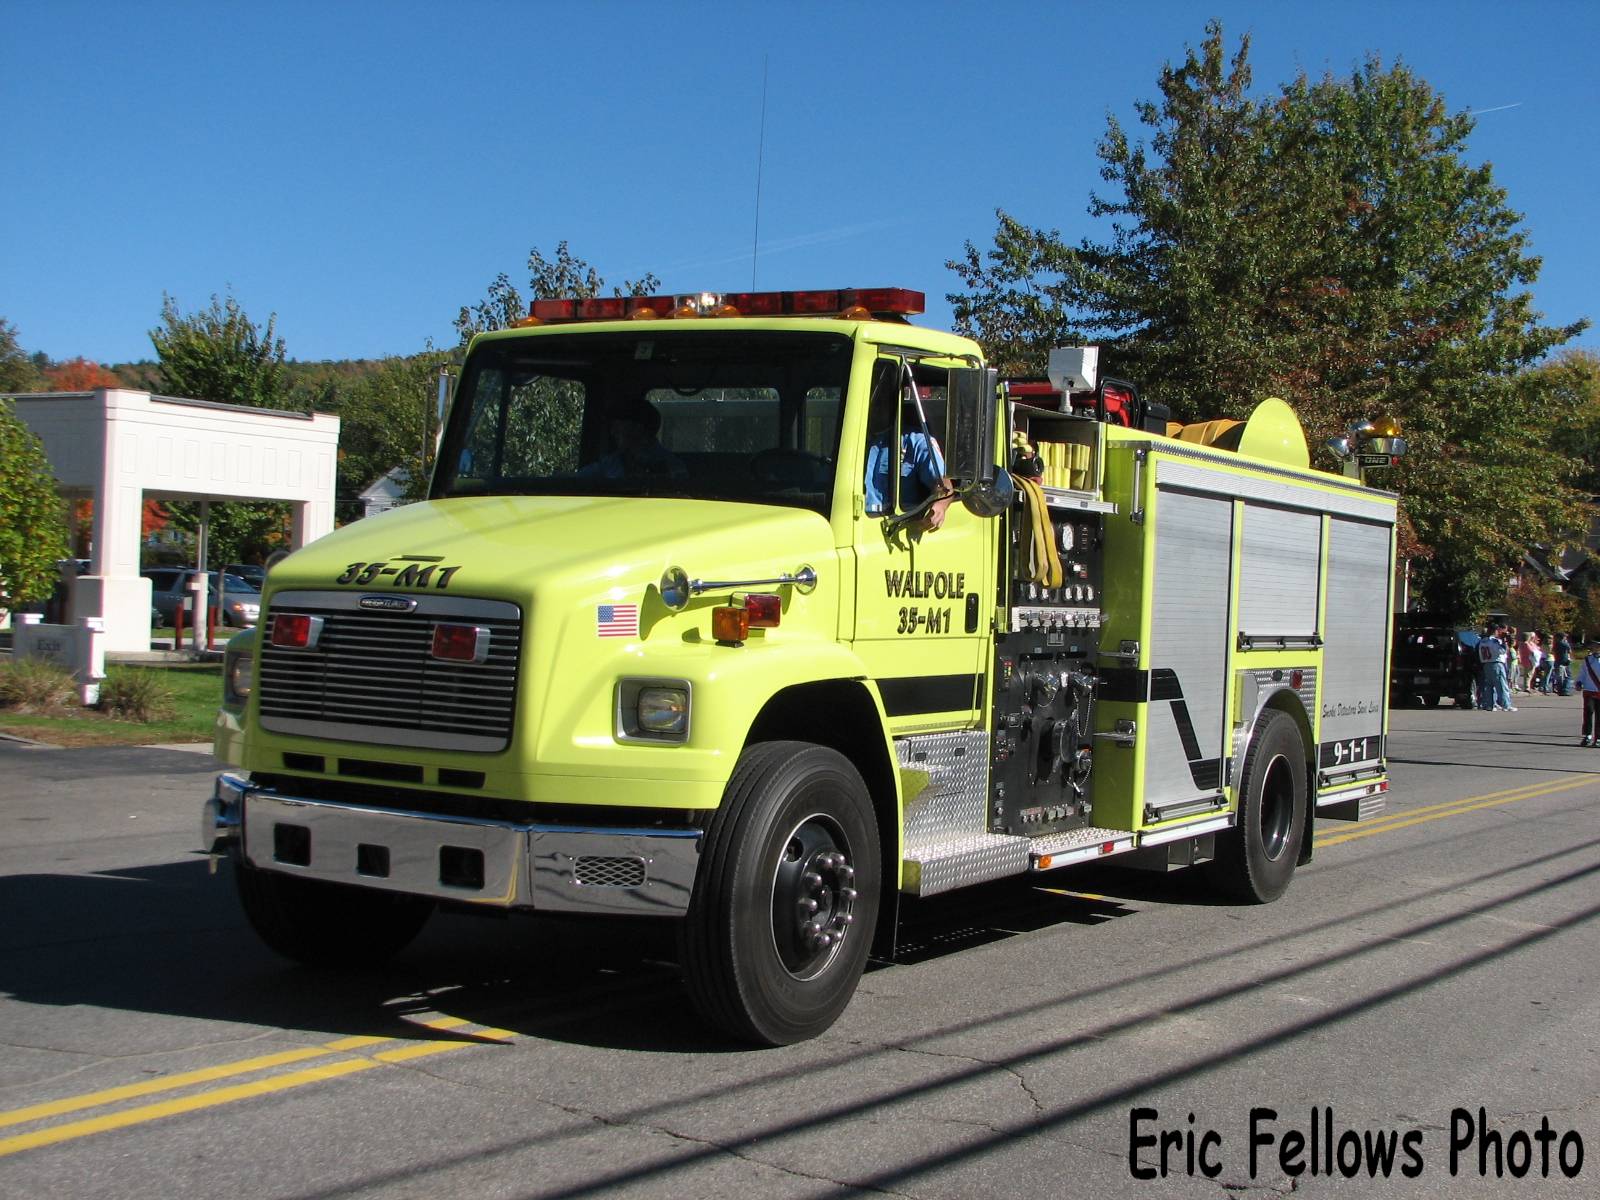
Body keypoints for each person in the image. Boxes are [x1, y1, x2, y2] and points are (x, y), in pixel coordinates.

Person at [863, 363, 954, 531]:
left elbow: (944, 486)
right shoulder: (848, 440)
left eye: (880, 398)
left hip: (890, 526)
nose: (874, 405)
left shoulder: (916, 441)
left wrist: (940, 507)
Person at [578, 403, 686, 481]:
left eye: (618, 426)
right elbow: (578, 480)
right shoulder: (611, 463)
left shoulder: (672, 466)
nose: (613, 432)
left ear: (638, 428)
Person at [1578, 651, 1600, 745]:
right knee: (1588, 711)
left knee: (1599, 715)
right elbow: (1583, 672)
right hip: (1589, 690)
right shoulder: (1588, 659)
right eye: (1594, 645)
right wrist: (1579, 681)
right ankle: (1587, 735)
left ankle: (1598, 738)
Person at [1553, 631, 1573, 696]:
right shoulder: (1565, 644)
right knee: (1568, 676)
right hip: (1565, 662)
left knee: (1559, 677)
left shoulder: (1556, 644)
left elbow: (1553, 651)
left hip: (1557, 661)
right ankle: (1566, 690)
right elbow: (1570, 651)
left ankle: (1560, 690)